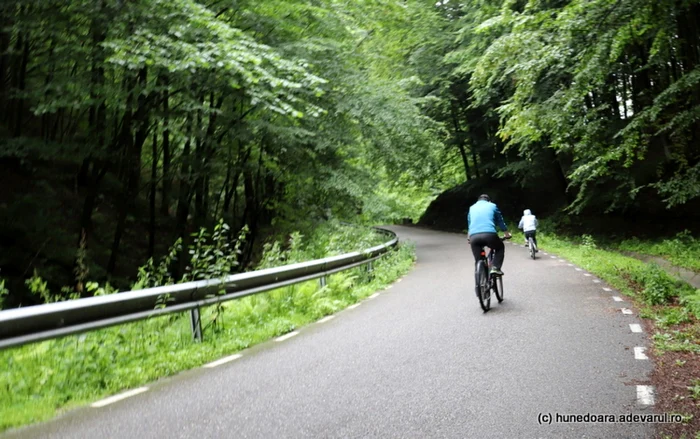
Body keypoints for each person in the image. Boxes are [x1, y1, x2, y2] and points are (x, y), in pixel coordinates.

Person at [467, 194, 511, 276]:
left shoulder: (471, 207)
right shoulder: (492, 206)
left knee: (478, 259)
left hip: (474, 236)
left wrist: (469, 238)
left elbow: (469, 224)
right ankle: (495, 268)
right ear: (488, 200)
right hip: (489, 235)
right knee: (500, 247)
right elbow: (500, 221)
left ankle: (480, 280)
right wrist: (506, 234)